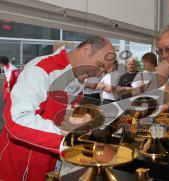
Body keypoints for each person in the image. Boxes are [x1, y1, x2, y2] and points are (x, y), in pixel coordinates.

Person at [0, 36, 116, 180]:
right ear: (86, 50)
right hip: (19, 164)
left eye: (103, 71)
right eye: (99, 66)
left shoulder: (76, 80)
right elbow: (17, 119)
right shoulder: (42, 68)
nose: (98, 74)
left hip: (47, 162)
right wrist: (69, 139)